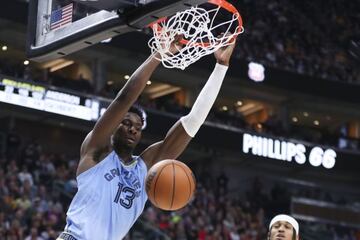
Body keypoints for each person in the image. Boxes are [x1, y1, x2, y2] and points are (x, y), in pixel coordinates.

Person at [57, 36, 237, 240]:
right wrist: (158, 54)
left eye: (137, 127)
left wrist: (221, 66)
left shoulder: (145, 170)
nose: (133, 129)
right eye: (126, 123)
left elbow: (192, 122)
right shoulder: (96, 151)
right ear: (114, 125)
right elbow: (125, 99)